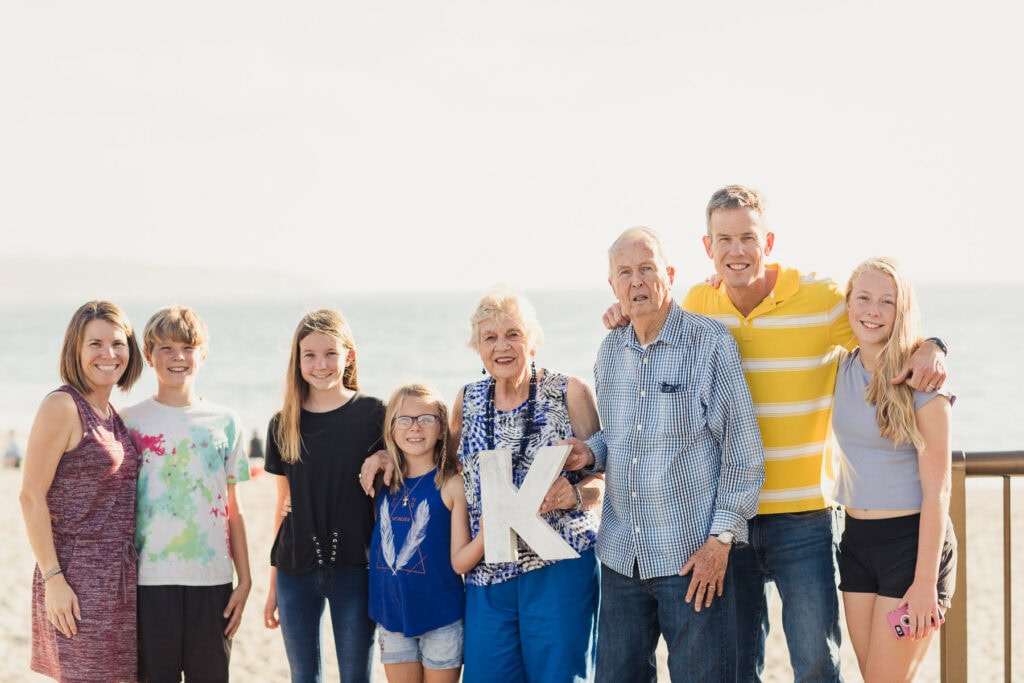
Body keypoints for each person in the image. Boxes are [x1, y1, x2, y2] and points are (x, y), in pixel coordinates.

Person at [603, 186, 949, 681]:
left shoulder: (823, 300)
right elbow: (655, 322)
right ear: (708, 248)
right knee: (741, 664)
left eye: (747, 237)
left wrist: (932, 346)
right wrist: (621, 312)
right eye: (724, 239)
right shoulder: (700, 302)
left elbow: (884, 327)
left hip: (804, 518)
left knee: (815, 663)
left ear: (767, 240)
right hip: (726, 522)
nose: (736, 250)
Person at [361, 285, 604, 682]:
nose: (501, 346)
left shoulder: (570, 391)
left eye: (513, 334)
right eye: (489, 337)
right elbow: (439, 461)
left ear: (534, 341)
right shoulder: (467, 400)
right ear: (477, 347)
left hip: (559, 568)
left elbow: (605, 480)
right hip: (488, 573)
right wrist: (390, 454)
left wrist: (576, 493)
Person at [564, 228, 765, 683]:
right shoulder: (611, 349)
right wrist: (588, 455)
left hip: (691, 559)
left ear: (669, 275)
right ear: (613, 286)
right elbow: (620, 440)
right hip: (621, 555)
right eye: (625, 273)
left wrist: (720, 542)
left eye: (647, 269)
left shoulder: (709, 344)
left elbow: (744, 454)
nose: (637, 282)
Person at [832, 257, 956, 681]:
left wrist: (924, 584)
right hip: (856, 543)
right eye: (864, 298)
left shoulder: (922, 381)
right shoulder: (839, 368)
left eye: (887, 301)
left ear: (901, 310)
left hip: (912, 545)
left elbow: (939, 490)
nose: (873, 310)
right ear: (847, 306)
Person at [120, 305, 252, 682]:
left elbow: (234, 509)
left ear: (203, 353)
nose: (178, 357)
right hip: (149, 583)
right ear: (148, 356)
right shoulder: (129, 421)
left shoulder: (226, 422)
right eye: (166, 348)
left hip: (212, 582)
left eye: (188, 347)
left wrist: (245, 580)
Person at [19, 300, 145, 682]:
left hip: (121, 580)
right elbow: (30, 496)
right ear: (76, 348)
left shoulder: (112, 415)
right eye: (96, 344)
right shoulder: (63, 405)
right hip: (76, 578)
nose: (109, 354)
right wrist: (54, 578)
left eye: (118, 343)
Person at [263, 309, 384, 683]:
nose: (321, 364)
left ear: (349, 356)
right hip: (293, 571)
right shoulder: (283, 423)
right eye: (310, 355)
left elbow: (414, 463)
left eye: (331, 353)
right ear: (297, 361)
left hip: (356, 569)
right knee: (303, 678)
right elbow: (282, 508)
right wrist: (272, 588)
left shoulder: (375, 414)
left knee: (355, 678)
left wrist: (383, 455)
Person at [367, 383, 481, 683]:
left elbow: (460, 561)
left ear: (442, 428)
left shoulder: (451, 484)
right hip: (392, 618)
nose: (414, 427)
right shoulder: (383, 480)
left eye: (426, 419)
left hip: (441, 619)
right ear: (391, 429)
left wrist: (489, 533)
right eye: (403, 419)